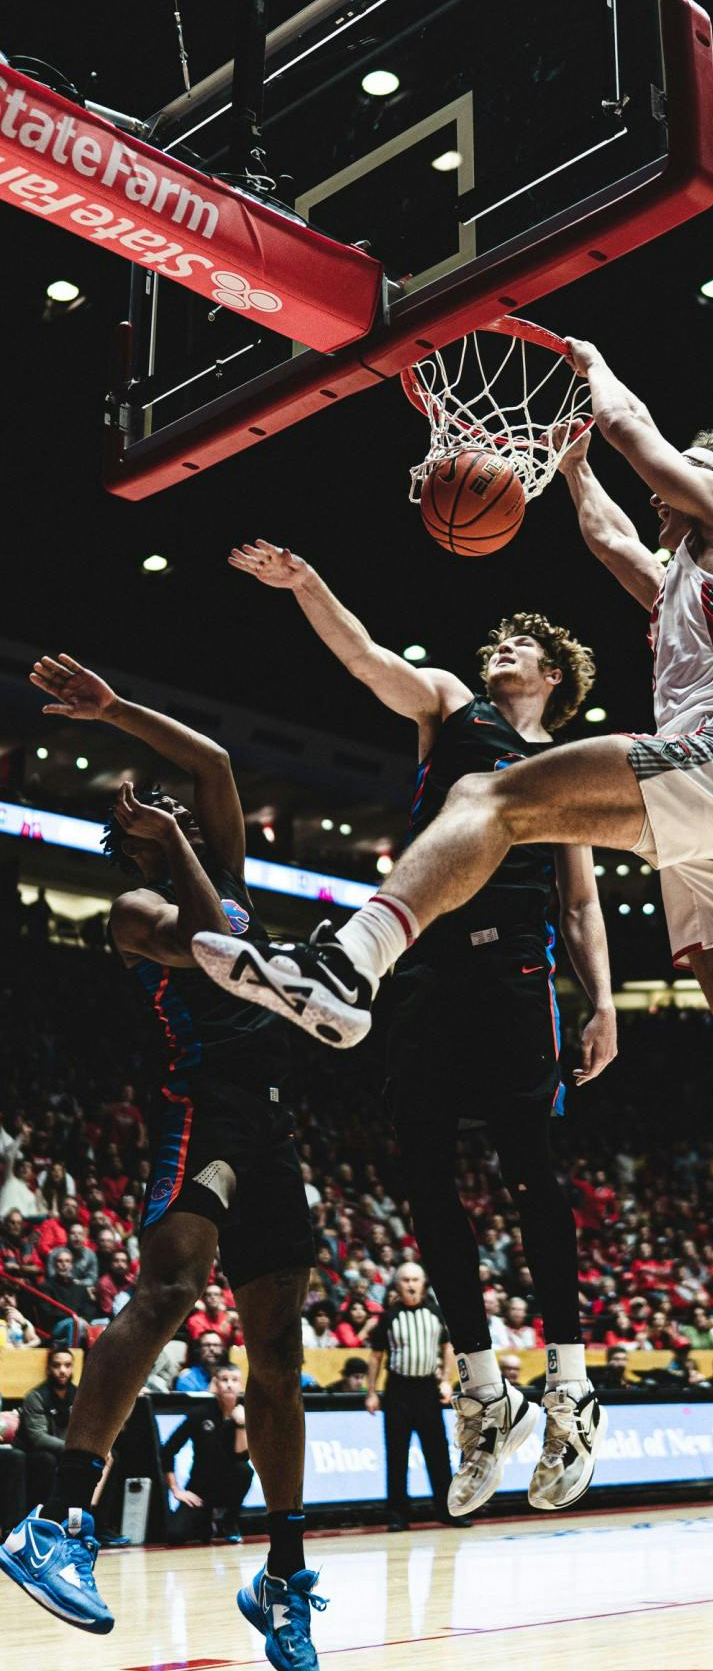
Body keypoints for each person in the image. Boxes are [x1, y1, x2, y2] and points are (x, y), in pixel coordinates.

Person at [198, 347, 713, 1423]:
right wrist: (572, 467)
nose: (661, 501)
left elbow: (642, 439)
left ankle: (350, 963)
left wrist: (590, 369)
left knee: (488, 796)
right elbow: (612, 536)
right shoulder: (683, 580)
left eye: (680, 482)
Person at [205, 545, 617, 1515]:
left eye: (519, 645)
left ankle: (572, 1383)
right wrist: (308, 583)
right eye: (499, 642)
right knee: (427, 1181)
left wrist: (603, 1001)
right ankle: (484, 1389)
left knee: (530, 1171)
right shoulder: (448, 706)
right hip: (427, 968)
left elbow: (581, 901)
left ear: (554, 675)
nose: (500, 650)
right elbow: (365, 658)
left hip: (516, 970)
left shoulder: (565, 770)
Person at [0, 655, 323, 1669]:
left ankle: (282, 1574)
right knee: (172, 1287)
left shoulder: (219, 869)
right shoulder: (136, 912)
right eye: (158, 816)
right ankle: (58, 1521)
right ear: (133, 841)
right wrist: (176, 840)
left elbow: (216, 760)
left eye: (181, 813)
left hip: (271, 1123)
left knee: (279, 1354)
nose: (179, 807)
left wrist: (116, 711)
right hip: (201, 1106)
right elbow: (218, 943)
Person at [365, 1264, 457, 1531]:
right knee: (396, 1454)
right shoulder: (389, 1316)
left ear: (423, 1283)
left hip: (427, 1389)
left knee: (438, 1454)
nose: (410, 1285)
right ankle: (398, 1515)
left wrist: (446, 1380)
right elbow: (376, 1356)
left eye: (415, 1279)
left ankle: (448, 1511)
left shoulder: (435, 1313)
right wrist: (371, 1392)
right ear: (397, 1285)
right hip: (398, 1390)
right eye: (405, 1280)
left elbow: (447, 1347)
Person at [161, 1363, 254, 1543]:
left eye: (234, 1380)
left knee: (244, 1470)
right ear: (215, 1384)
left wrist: (241, 1424)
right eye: (224, 1380)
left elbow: (242, 1456)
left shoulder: (247, 1414)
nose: (229, 1385)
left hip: (228, 1487)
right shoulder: (199, 1414)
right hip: (200, 1489)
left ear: (241, 1386)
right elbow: (168, 1450)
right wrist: (176, 1490)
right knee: (175, 1535)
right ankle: (207, 1522)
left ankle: (229, 1521)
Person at [14, 1347, 77, 1507]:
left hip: (67, 1450)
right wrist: (72, 1449)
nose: (62, 1371)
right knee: (47, 1460)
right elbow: (38, 1437)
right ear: (49, 1368)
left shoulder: (78, 1395)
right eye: (57, 1365)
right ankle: (42, 1513)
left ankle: (94, 1515)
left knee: (110, 1456)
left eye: (67, 1365)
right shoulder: (36, 1396)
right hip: (36, 1452)